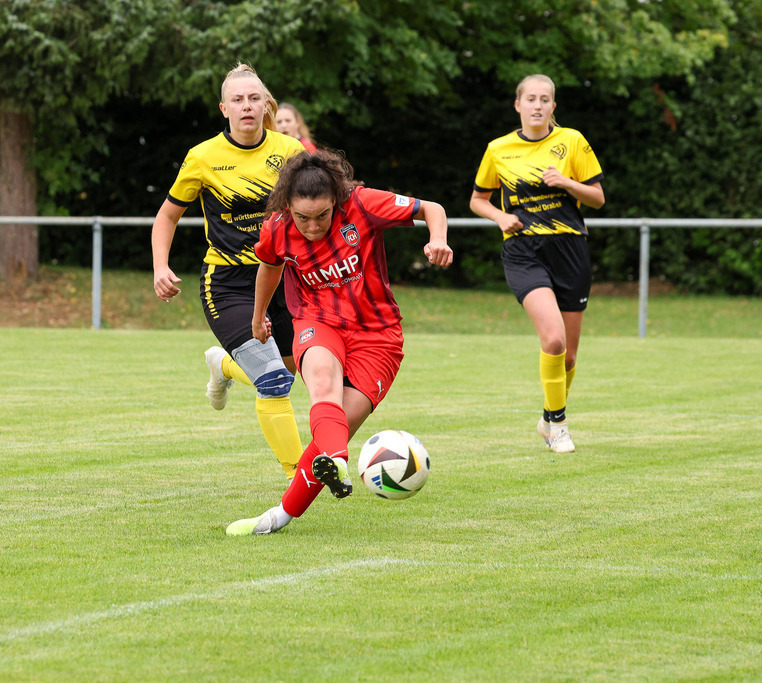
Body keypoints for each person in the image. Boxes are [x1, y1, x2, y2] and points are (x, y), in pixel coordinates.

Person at [226, 148, 452, 535]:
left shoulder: (363, 204)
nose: (312, 227)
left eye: (321, 216)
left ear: (336, 200)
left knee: (333, 429)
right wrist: (257, 314)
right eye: (302, 218)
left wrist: (438, 240)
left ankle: (279, 515)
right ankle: (336, 459)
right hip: (317, 320)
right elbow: (269, 265)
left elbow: (431, 208)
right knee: (322, 386)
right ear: (288, 207)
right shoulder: (277, 226)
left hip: (378, 336)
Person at [152, 63, 307, 479]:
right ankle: (300, 475)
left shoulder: (291, 153)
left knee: (290, 369)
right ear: (224, 109)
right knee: (274, 380)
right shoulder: (202, 158)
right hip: (228, 285)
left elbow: (315, 212)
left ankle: (222, 365)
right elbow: (167, 216)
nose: (246, 106)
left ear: (265, 104)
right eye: (237, 100)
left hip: (281, 281)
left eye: (254, 98)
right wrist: (160, 267)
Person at [469, 74, 604, 454]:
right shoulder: (498, 149)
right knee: (554, 339)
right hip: (523, 252)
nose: (538, 105)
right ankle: (559, 426)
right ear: (518, 105)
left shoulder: (571, 141)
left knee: (570, 355)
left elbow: (597, 198)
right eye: (531, 99)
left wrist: (566, 182)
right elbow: (477, 199)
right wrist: (499, 217)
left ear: (553, 107)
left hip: (570, 251)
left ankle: (548, 416)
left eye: (545, 99)